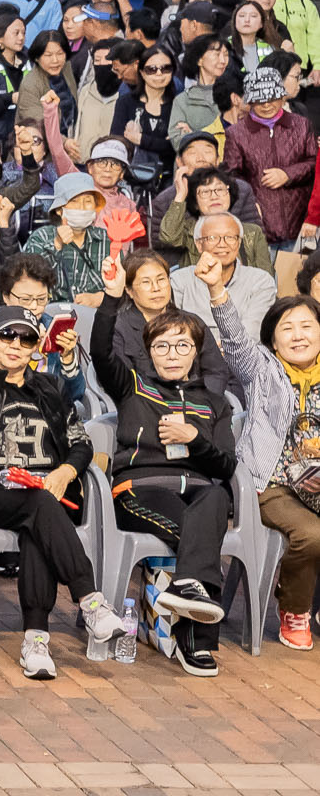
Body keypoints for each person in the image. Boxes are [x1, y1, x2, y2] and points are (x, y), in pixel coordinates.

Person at [0, 308, 132, 678]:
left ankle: (36, 640)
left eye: (25, 338)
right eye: (6, 336)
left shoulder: (50, 388)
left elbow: (80, 442)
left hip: (45, 494)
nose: (15, 344)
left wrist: (65, 470)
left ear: (36, 345)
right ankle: (90, 601)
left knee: (36, 523)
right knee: (40, 506)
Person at [97, 302, 235, 674]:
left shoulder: (215, 404)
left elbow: (225, 465)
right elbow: (100, 352)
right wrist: (111, 299)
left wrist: (193, 440)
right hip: (142, 488)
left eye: (182, 345)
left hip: (199, 490)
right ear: (148, 351)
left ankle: (184, 589)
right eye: (162, 346)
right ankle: (197, 644)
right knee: (203, 539)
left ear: (196, 351)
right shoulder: (133, 386)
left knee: (218, 496)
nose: (172, 355)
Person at [207, 280, 320, 651]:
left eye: (307, 326)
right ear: (273, 341)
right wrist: (216, 290)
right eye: (287, 328)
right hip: (273, 484)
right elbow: (236, 340)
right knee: (311, 534)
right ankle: (294, 607)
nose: (298, 336)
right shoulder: (263, 372)